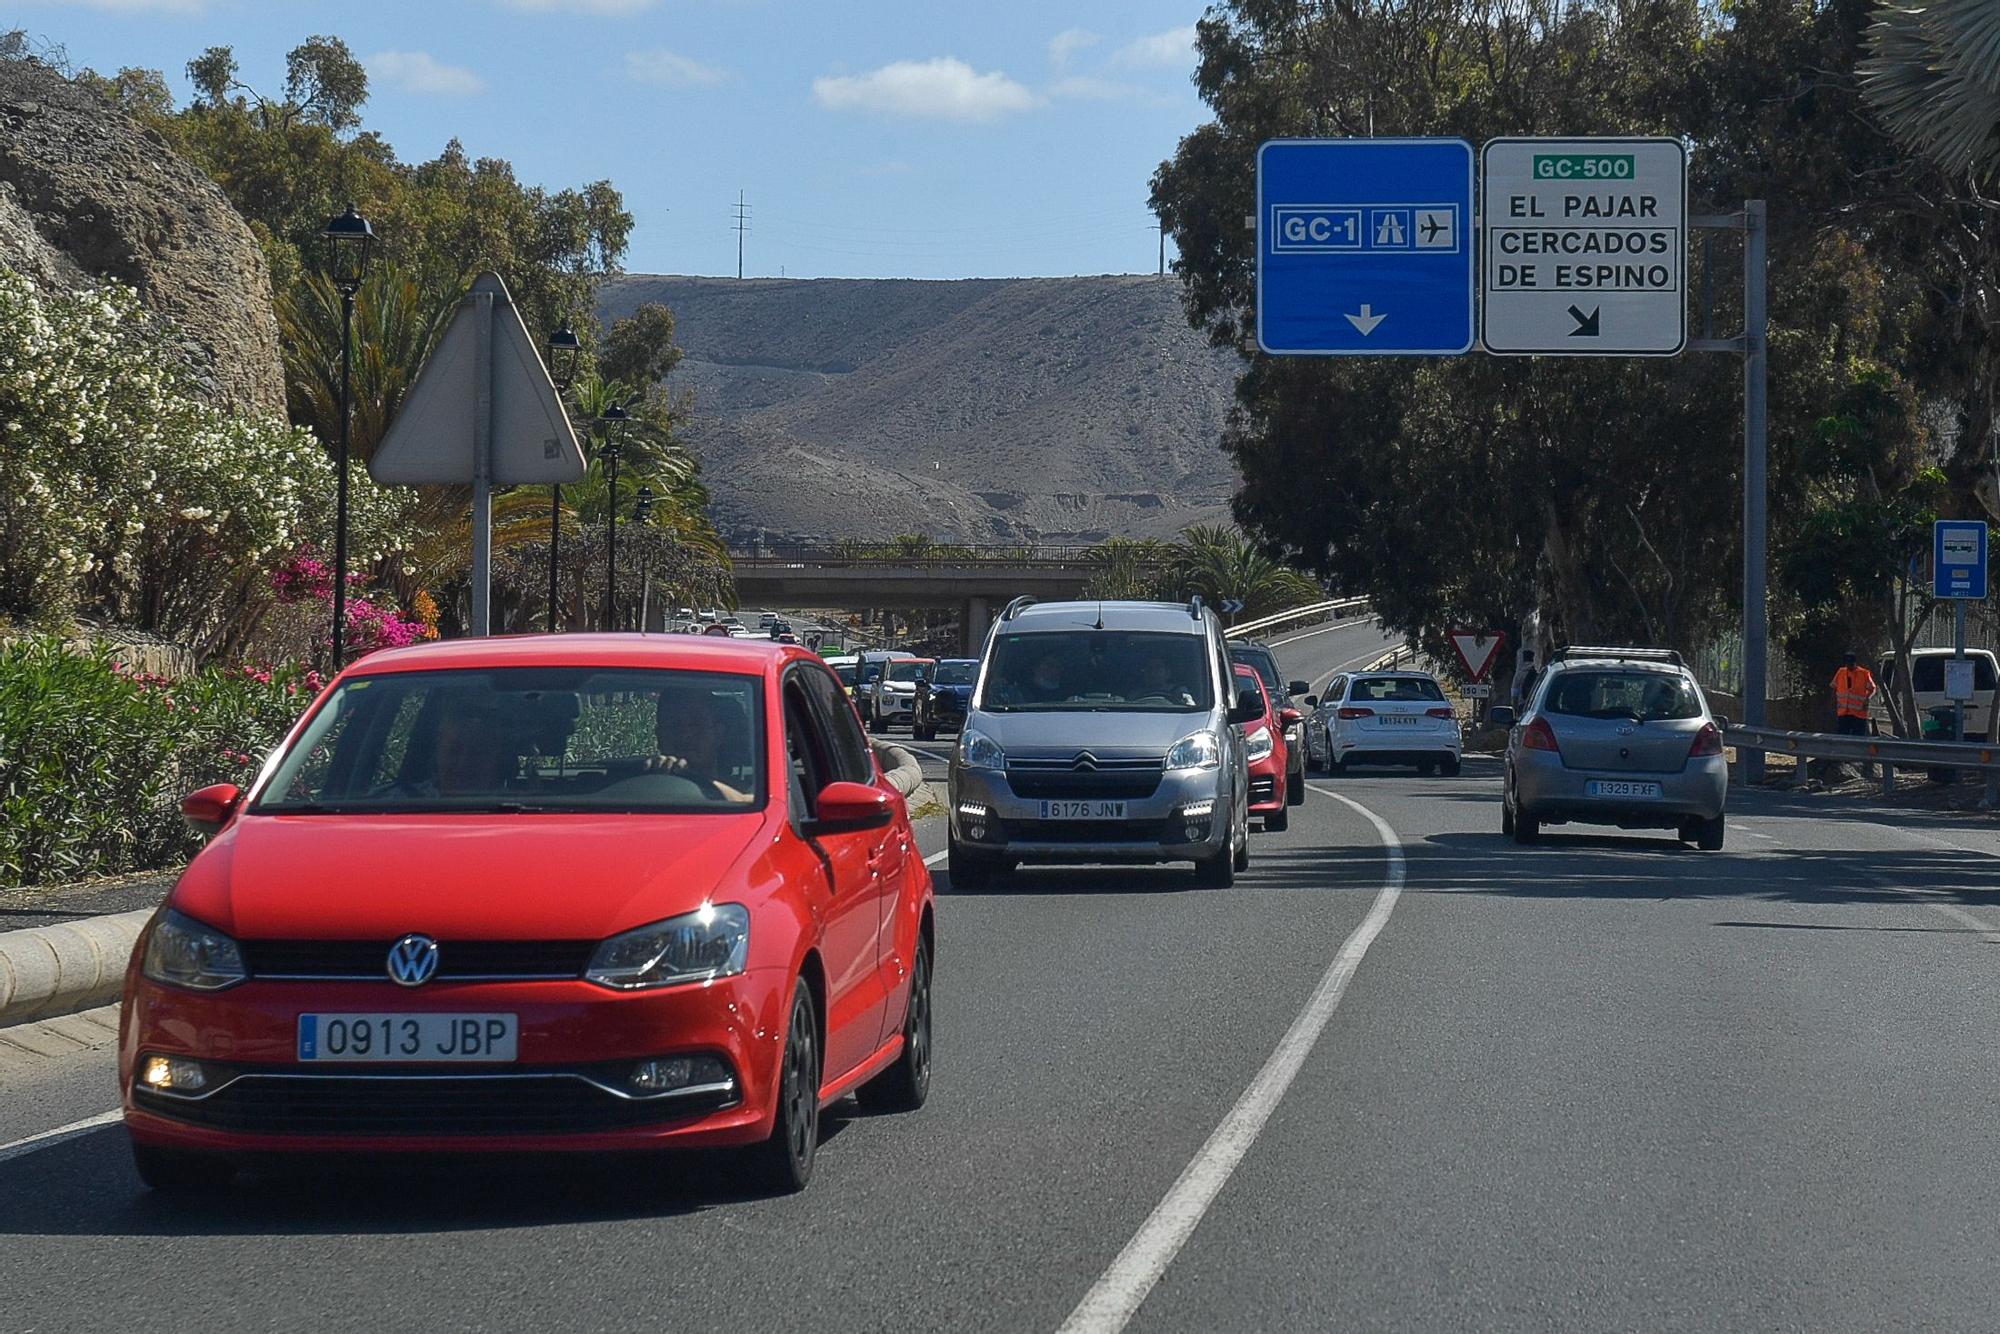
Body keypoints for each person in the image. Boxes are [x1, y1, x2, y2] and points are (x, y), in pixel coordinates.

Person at [650, 689, 751, 802]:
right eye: (674, 725)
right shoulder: (637, 790)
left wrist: (700, 781)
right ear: (659, 735)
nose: (685, 735)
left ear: (718, 734)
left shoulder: (755, 790)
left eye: (696, 724)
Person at [1832, 651, 1877, 737]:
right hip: (1843, 713)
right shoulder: (1841, 672)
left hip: (1858, 713)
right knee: (1842, 738)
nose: (1849, 665)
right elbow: (1834, 686)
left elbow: (1872, 688)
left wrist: (1867, 699)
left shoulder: (1864, 674)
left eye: (1851, 663)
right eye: (1847, 663)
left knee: (1858, 738)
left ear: (1855, 663)